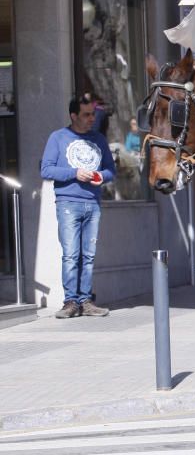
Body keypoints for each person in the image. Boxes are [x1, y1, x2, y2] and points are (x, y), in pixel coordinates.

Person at [40, 95, 116, 319]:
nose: (92, 118)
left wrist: (101, 176)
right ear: (74, 116)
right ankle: (70, 302)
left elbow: (111, 170)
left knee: (89, 256)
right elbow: (46, 170)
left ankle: (86, 301)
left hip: (93, 204)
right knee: (71, 255)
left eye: (93, 114)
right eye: (87, 114)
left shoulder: (99, 139)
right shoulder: (58, 137)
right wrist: (74, 173)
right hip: (68, 203)